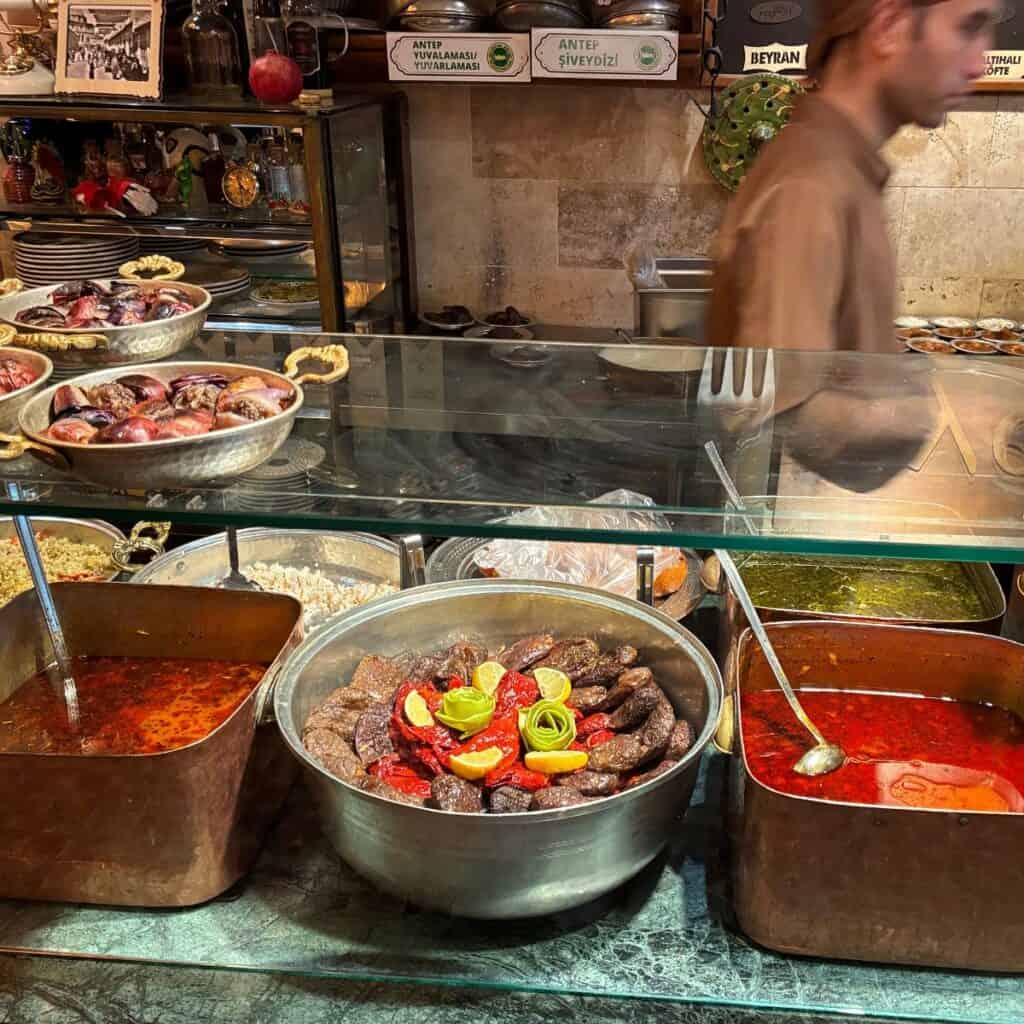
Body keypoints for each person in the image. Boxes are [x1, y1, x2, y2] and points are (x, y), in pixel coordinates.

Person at [708, 0, 999, 352]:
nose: (978, 66)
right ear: (889, 26)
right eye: (968, 28)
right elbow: (786, 402)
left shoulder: (845, 170)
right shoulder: (810, 188)